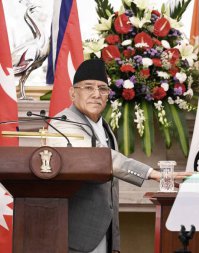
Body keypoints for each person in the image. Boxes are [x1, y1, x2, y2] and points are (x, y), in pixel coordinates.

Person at [47, 59, 188, 253]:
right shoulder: (61, 124)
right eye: (88, 88)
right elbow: (100, 159)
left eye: (103, 89)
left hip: (106, 232)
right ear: (73, 93)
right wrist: (153, 174)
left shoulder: (104, 127)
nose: (96, 94)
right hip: (76, 234)